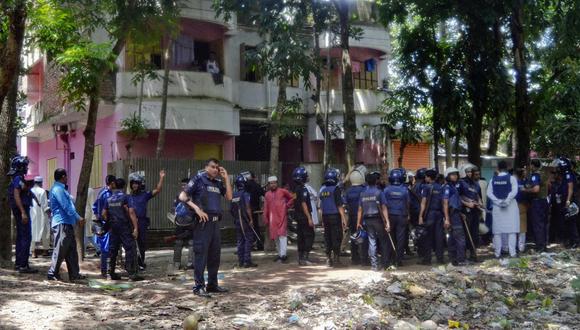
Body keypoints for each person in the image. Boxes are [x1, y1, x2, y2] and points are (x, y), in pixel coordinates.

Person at [179, 158, 232, 297]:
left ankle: (212, 285)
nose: (215, 169)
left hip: (215, 224)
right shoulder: (198, 179)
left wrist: (226, 178)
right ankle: (199, 286)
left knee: (215, 256)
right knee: (201, 255)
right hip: (202, 224)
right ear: (206, 167)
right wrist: (197, 209)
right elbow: (182, 195)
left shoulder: (218, 183)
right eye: (213, 167)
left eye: (217, 167)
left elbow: (229, 197)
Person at [47, 168, 86, 281]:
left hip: (67, 223)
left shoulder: (62, 189)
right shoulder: (58, 189)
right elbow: (66, 206)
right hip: (61, 223)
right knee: (60, 248)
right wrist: (78, 217)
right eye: (66, 176)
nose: (67, 178)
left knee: (71, 250)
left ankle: (74, 274)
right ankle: (52, 273)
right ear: (63, 177)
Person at [102, 178, 143, 281]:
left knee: (112, 250)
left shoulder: (109, 199)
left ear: (115, 185)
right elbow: (131, 212)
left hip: (113, 227)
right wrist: (135, 228)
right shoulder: (126, 197)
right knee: (130, 248)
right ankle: (132, 273)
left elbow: (103, 214)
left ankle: (110, 273)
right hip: (124, 226)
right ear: (124, 186)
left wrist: (110, 220)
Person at [128, 170, 165, 270]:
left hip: (142, 222)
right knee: (131, 244)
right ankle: (132, 263)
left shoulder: (145, 194)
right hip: (131, 223)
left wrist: (161, 177)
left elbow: (157, 190)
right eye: (133, 184)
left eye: (136, 183)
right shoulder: (128, 197)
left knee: (141, 243)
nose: (134, 185)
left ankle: (141, 262)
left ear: (140, 184)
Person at [8, 155, 38, 273]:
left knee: (22, 236)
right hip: (22, 211)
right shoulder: (17, 179)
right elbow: (16, 194)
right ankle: (23, 265)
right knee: (25, 236)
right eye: (25, 166)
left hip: (21, 211)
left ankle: (20, 264)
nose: (27, 168)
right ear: (20, 167)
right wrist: (23, 212)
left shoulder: (18, 179)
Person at [356, 171, 390, 271]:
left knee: (372, 241)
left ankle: (374, 265)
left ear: (366, 182)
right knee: (383, 241)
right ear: (376, 181)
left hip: (367, 220)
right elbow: (384, 207)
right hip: (378, 219)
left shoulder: (363, 194)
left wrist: (358, 222)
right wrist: (387, 221)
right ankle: (385, 264)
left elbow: (360, 210)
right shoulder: (379, 192)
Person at [487, 161, 520, 258]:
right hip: (511, 207)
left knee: (497, 231)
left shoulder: (493, 179)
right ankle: (512, 253)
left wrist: (497, 201)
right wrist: (507, 200)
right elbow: (515, 191)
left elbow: (489, 193)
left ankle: (497, 253)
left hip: (497, 208)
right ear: (507, 167)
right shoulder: (512, 178)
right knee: (512, 230)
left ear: (498, 168)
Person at [319, 168, 347, 267]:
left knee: (327, 237)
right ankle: (336, 259)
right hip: (335, 216)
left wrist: (322, 219)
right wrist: (344, 219)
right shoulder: (336, 189)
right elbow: (339, 206)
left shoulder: (323, 191)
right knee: (337, 237)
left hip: (325, 217)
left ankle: (328, 259)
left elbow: (321, 207)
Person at [263, 176, 294, 263]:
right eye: (271, 183)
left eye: (274, 183)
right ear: (269, 185)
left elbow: (293, 197)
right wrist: (265, 216)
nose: (273, 185)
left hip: (282, 217)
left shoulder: (283, 191)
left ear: (277, 183)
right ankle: (280, 254)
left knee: (282, 236)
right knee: (276, 236)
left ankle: (283, 255)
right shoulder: (267, 194)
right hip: (272, 218)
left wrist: (287, 206)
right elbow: (266, 206)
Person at [418, 168, 445, 265]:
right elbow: (444, 203)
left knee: (427, 237)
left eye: (426, 176)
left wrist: (420, 216)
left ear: (429, 178)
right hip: (439, 214)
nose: (425, 178)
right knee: (439, 237)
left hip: (430, 214)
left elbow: (423, 203)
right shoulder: (441, 187)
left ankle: (427, 259)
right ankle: (440, 259)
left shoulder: (426, 187)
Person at [383, 169, 409, 267]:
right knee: (401, 238)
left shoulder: (386, 190)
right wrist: (408, 214)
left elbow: (383, 204)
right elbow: (407, 203)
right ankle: (399, 259)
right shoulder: (404, 190)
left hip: (390, 216)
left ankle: (390, 258)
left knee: (390, 237)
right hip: (402, 216)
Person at [167, 178, 195, 270]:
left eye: (185, 184)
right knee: (178, 243)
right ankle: (177, 263)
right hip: (179, 224)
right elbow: (173, 209)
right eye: (182, 185)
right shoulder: (178, 196)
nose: (183, 186)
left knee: (192, 244)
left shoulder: (193, 196)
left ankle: (191, 263)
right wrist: (174, 219)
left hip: (191, 224)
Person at [92, 175, 116, 278]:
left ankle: (107, 270)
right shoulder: (106, 194)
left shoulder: (103, 192)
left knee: (107, 248)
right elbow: (103, 211)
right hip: (106, 224)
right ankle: (104, 271)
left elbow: (95, 207)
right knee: (105, 249)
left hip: (106, 224)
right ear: (111, 183)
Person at [231, 172, 257, 268]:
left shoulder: (233, 195)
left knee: (240, 241)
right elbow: (247, 207)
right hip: (245, 221)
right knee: (248, 240)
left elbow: (231, 210)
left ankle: (241, 261)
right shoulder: (245, 194)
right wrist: (251, 219)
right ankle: (247, 261)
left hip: (237, 221)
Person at [292, 166, 316, 265]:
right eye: (306, 175)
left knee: (300, 236)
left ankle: (300, 257)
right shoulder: (303, 189)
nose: (308, 177)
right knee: (310, 235)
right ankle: (305, 257)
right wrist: (309, 218)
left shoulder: (295, 190)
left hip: (298, 216)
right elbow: (303, 204)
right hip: (304, 216)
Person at [458, 164, 483, 262]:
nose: (469, 173)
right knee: (465, 234)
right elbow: (458, 196)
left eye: (470, 172)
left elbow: (478, 196)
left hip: (475, 211)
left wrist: (480, 203)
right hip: (465, 212)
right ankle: (463, 255)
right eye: (467, 172)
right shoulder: (461, 183)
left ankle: (473, 254)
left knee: (475, 233)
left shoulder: (476, 184)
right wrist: (467, 203)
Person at [443, 167, 466, 266]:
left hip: (456, 214)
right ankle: (460, 260)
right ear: (447, 176)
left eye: (456, 174)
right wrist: (447, 219)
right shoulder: (447, 187)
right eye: (452, 174)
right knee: (460, 238)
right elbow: (445, 203)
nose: (455, 176)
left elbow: (455, 203)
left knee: (452, 238)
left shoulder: (453, 187)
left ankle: (454, 260)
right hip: (452, 216)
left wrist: (460, 213)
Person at [525, 159, 549, 252]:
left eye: (530, 165)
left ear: (533, 166)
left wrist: (526, 190)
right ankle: (544, 245)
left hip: (537, 202)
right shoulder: (543, 174)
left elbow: (536, 189)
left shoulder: (535, 175)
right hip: (544, 200)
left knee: (537, 224)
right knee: (543, 224)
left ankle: (540, 246)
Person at [345, 167, 368, 265]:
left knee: (354, 237)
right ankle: (364, 258)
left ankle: (354, 257)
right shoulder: (364, 189)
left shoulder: (348, 191)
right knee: (364, 237)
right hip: (363, 217)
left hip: (352, 217)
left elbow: (345, 204)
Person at [556, 157, 579, 248]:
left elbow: (570, 188)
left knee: (571, 221)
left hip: (570, 201)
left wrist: (568, 200)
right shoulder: (565, 175)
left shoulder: (568, 174)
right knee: (567, 222)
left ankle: (575, 242)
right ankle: (570, 241)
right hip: (565, 201)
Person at [30, 176, 51, 258]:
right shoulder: (42, 191)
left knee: (33, 231)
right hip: (42, 214)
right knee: (45, 232)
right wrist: (49, 213)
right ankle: (46, 250)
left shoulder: (30, 190)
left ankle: (33, 252)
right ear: (41, 183)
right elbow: (45, 205)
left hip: (32, 214)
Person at [245, 172, 265, 250]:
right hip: (254, 209)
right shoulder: (256, 185)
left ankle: (248, 246)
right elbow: (264, 194)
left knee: (246, 228)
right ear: (254, 177)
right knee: (255, 226)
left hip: (244, 210)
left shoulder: (244, 185)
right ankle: (259, 245)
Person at [514, 168, 529, 253]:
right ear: (521, 174)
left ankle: (515, 246)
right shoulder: (523, 183)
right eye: (524, 172)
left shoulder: (514, 183)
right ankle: (521, 247)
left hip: (515, 206)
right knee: (522, 228)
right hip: (521, 205)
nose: (525, 173)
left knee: (516, 228)